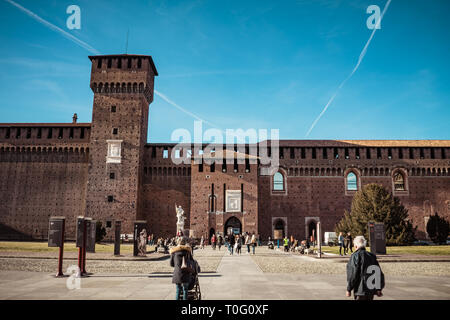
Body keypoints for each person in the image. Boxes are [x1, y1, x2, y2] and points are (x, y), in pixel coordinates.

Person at [346, 236, 384, 300]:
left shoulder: (355, 256)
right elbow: (378, 272)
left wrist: (349, 289)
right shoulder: (372, 256)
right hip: (370, 290)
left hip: (359, 290)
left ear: (355, 246)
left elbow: (353, 274)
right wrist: (378, 288)